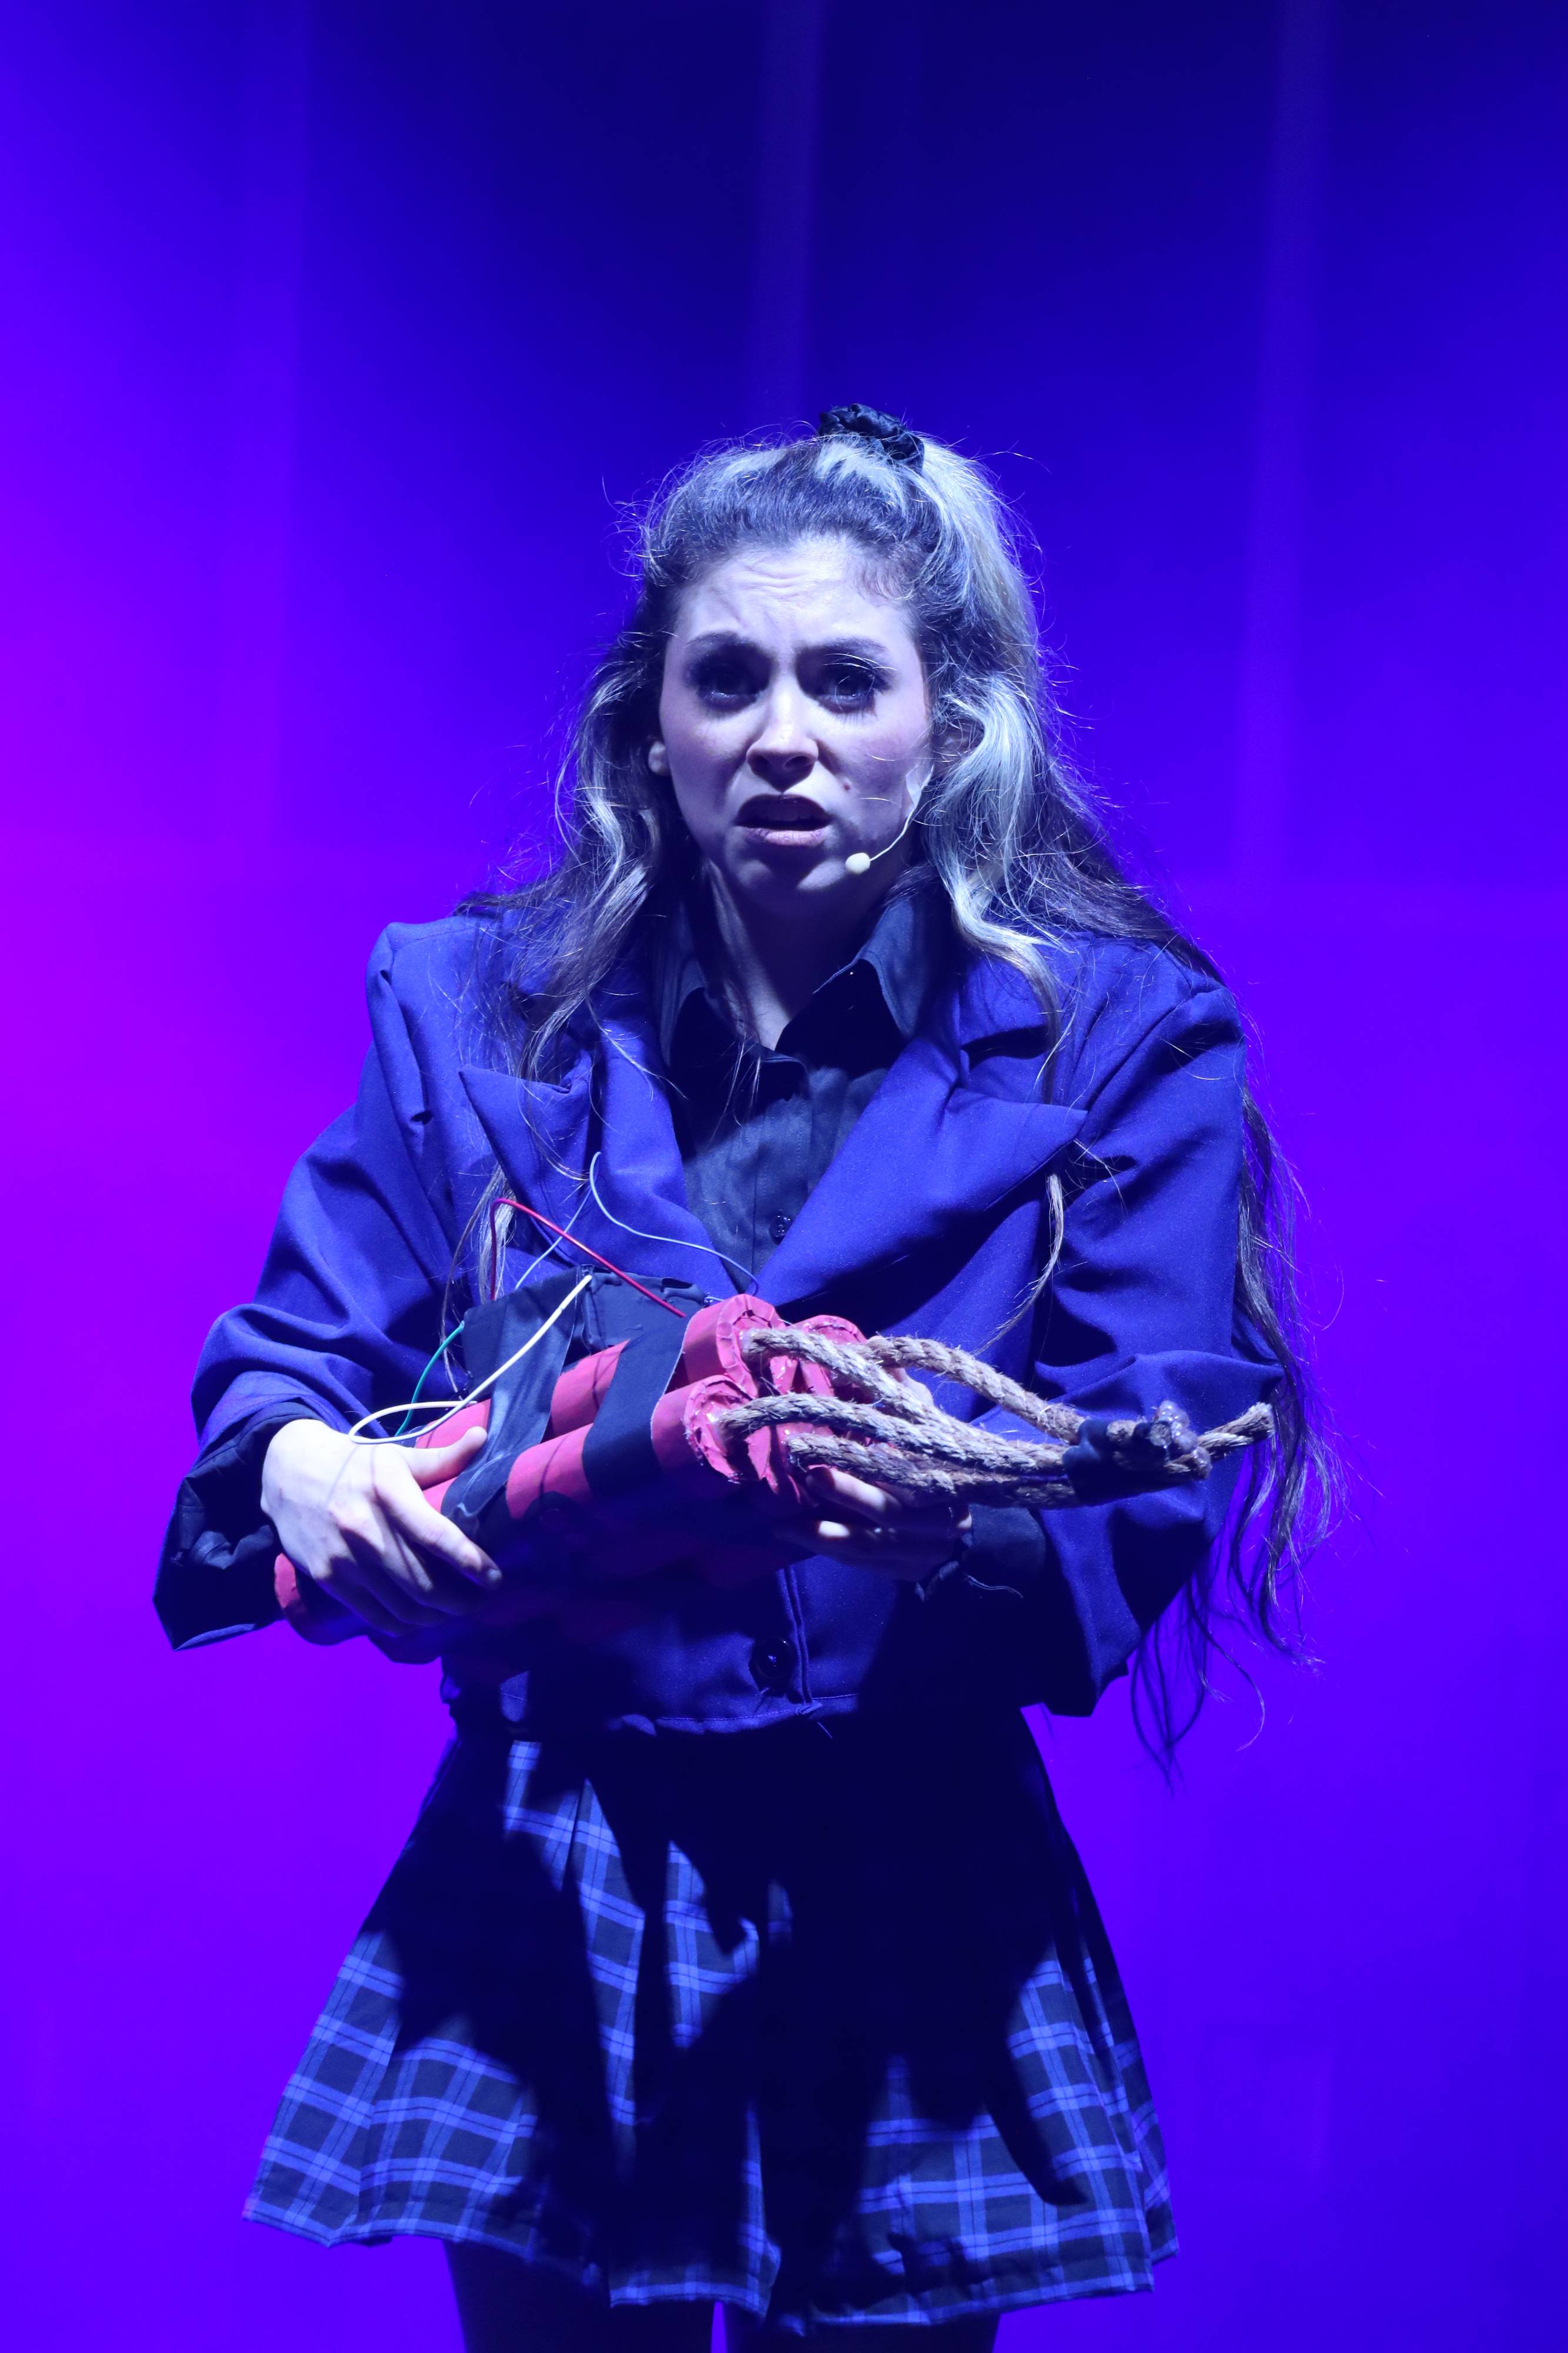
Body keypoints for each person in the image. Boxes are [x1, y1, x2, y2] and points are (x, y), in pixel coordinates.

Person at [158, 406, 1329, 2349]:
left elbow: (1146, 1462)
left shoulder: (1120, 1035)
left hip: (909, 1848)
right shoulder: (469, 1007)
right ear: (652, 725)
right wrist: (289, 1461)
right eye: (728, 680)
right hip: (560, 1834)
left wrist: (953, 1526)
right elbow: (295, 1352)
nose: (782, 735)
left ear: (949, 722)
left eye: (845, 681)